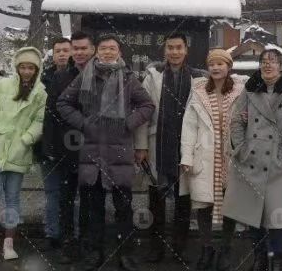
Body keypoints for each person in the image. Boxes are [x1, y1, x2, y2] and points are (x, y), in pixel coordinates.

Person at [57, 34, 155, 271]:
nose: (108, 52)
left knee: (123, 209)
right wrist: (83, 123)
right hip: (92, 152)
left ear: (119, 51)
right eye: (103, 48)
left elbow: (147, 105)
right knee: (94, 209)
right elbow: (63, 103)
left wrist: (128, 123)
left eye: (112, 48)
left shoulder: (128, 78)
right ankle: (94, 253)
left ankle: (125, 254)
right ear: (97, 51)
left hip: (119, 153)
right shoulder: (85, 76)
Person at [222, 49, 282, 271]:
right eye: (263, 61)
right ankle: (260, 259)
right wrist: (240, 148)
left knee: (277, 215)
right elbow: (236, 121)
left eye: (273, 61)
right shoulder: (250, 89)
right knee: (253, 213)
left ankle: (277, 260)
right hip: (250, 159)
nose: (267, 65)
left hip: (276, 161)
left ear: (281, 67)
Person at [135, 32, 207, 263]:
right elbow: (143, 112)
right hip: (158, 144)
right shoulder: (153, 76)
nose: (174, 52)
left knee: (183, 200)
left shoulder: (198, 79)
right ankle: (156, 248)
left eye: (179, 47)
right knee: (156, 199)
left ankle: (179, 248)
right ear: (164, 50)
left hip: (186, 145)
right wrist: (141, 146)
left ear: (186, 50)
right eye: (170, 47)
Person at [0, 47, 47, 261]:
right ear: (17, 67)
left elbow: (40, 121)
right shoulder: (0, 86)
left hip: (19, 151)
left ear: (37, 70)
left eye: (31, 68)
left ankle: (9, 243)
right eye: (23, 67)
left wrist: (26, 139)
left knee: (13, 198)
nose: (26, 71)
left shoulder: (40, 93)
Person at [179, 49, 245, 271]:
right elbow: (189, 126)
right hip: (204, 155)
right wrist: (187, 156)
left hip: (231, 156)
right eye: (212, 64)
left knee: (230, 204)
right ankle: (206, 248)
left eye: (220, 64)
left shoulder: (240, 90)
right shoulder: (198, 91)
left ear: (229, 66)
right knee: (203, 204)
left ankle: (226, 248)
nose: (216, 68)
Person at [38, 32, 96, 263]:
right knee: (66, 198)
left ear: (92, 50)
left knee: (90, 199)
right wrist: (50, 147)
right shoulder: (61, 77)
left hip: (93, 147)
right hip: (67, 147)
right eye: (76, 48)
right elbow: (50, 114)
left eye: (84, 48)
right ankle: (68, 243)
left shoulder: (101, 75)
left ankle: (87, 243)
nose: (79, 52)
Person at [36, 37, 72, 249]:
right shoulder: (43, 79)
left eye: (66, 50)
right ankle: (52, 234)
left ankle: (71, 234)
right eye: (58, 51)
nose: (62, 54)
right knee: (52, 192)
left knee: (72, 194)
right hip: (47, 143)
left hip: (72, 144)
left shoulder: (78, 77)